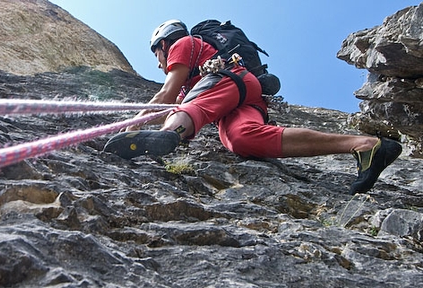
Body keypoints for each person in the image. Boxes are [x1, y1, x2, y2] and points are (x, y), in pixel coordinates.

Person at [104, 19, 402, 195]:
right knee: (241, 138)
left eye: (156, 53)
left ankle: (168, 137)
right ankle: (366, 146)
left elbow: (171, 93)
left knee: (194, 104)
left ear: (162, 44)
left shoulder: (182, 43)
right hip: (246, 93)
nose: (158, 63)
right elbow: (183, 103)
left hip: (225, 79)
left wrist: (135, 125)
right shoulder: (194, 62)